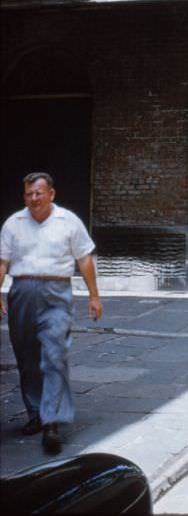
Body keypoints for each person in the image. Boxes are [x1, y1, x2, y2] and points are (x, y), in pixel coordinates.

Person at [0, 172, 103, 454]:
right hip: (22, 291)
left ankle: (52, 421)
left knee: (54, 354)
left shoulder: (68, 221)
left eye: (38, 193)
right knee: (27, 356)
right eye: (29, 194)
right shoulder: (13, 223)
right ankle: (36, 413)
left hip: (56, 292)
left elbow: (84, 258)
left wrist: (94, 296)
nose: (34, 199)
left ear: (51, 194)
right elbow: (2, 261)